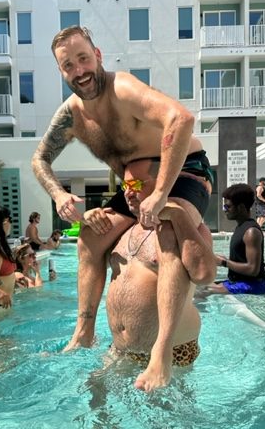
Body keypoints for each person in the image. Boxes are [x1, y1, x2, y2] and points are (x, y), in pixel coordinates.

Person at [31, 25, 214, 350]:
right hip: (136, 182)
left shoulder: (123, 89)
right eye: (68, 65)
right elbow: (40, 159)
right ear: (61, 72)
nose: (79, 70)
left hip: (183, 170)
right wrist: (59, 195)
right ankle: (84, 331)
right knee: (89, 237)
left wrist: (160, 196)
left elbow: (181, 120)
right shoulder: (71, 114)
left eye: (83, 58)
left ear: (97, 56)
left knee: (167, 229)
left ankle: (163, 350)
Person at [85, 158, 216, 392]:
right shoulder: (123, 230)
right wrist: (91, 221)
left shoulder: (186, 227)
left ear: (161, 185)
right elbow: (93, 262)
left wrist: (177, 216)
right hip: (121, 348)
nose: (128, 193)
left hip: (172, 350)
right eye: (125, 187)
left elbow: (204, 275)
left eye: (135, 185)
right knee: (95, 388)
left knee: (168, 422)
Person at [209, 184, 265, 295]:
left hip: (253, 286)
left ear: (241, 207)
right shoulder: (241, 227)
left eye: (227, 206)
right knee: (196, 286)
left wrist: (224, 262)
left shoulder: (251, 232)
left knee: (200, 292)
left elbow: (253, 270)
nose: (224, 210)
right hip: (238, 282)